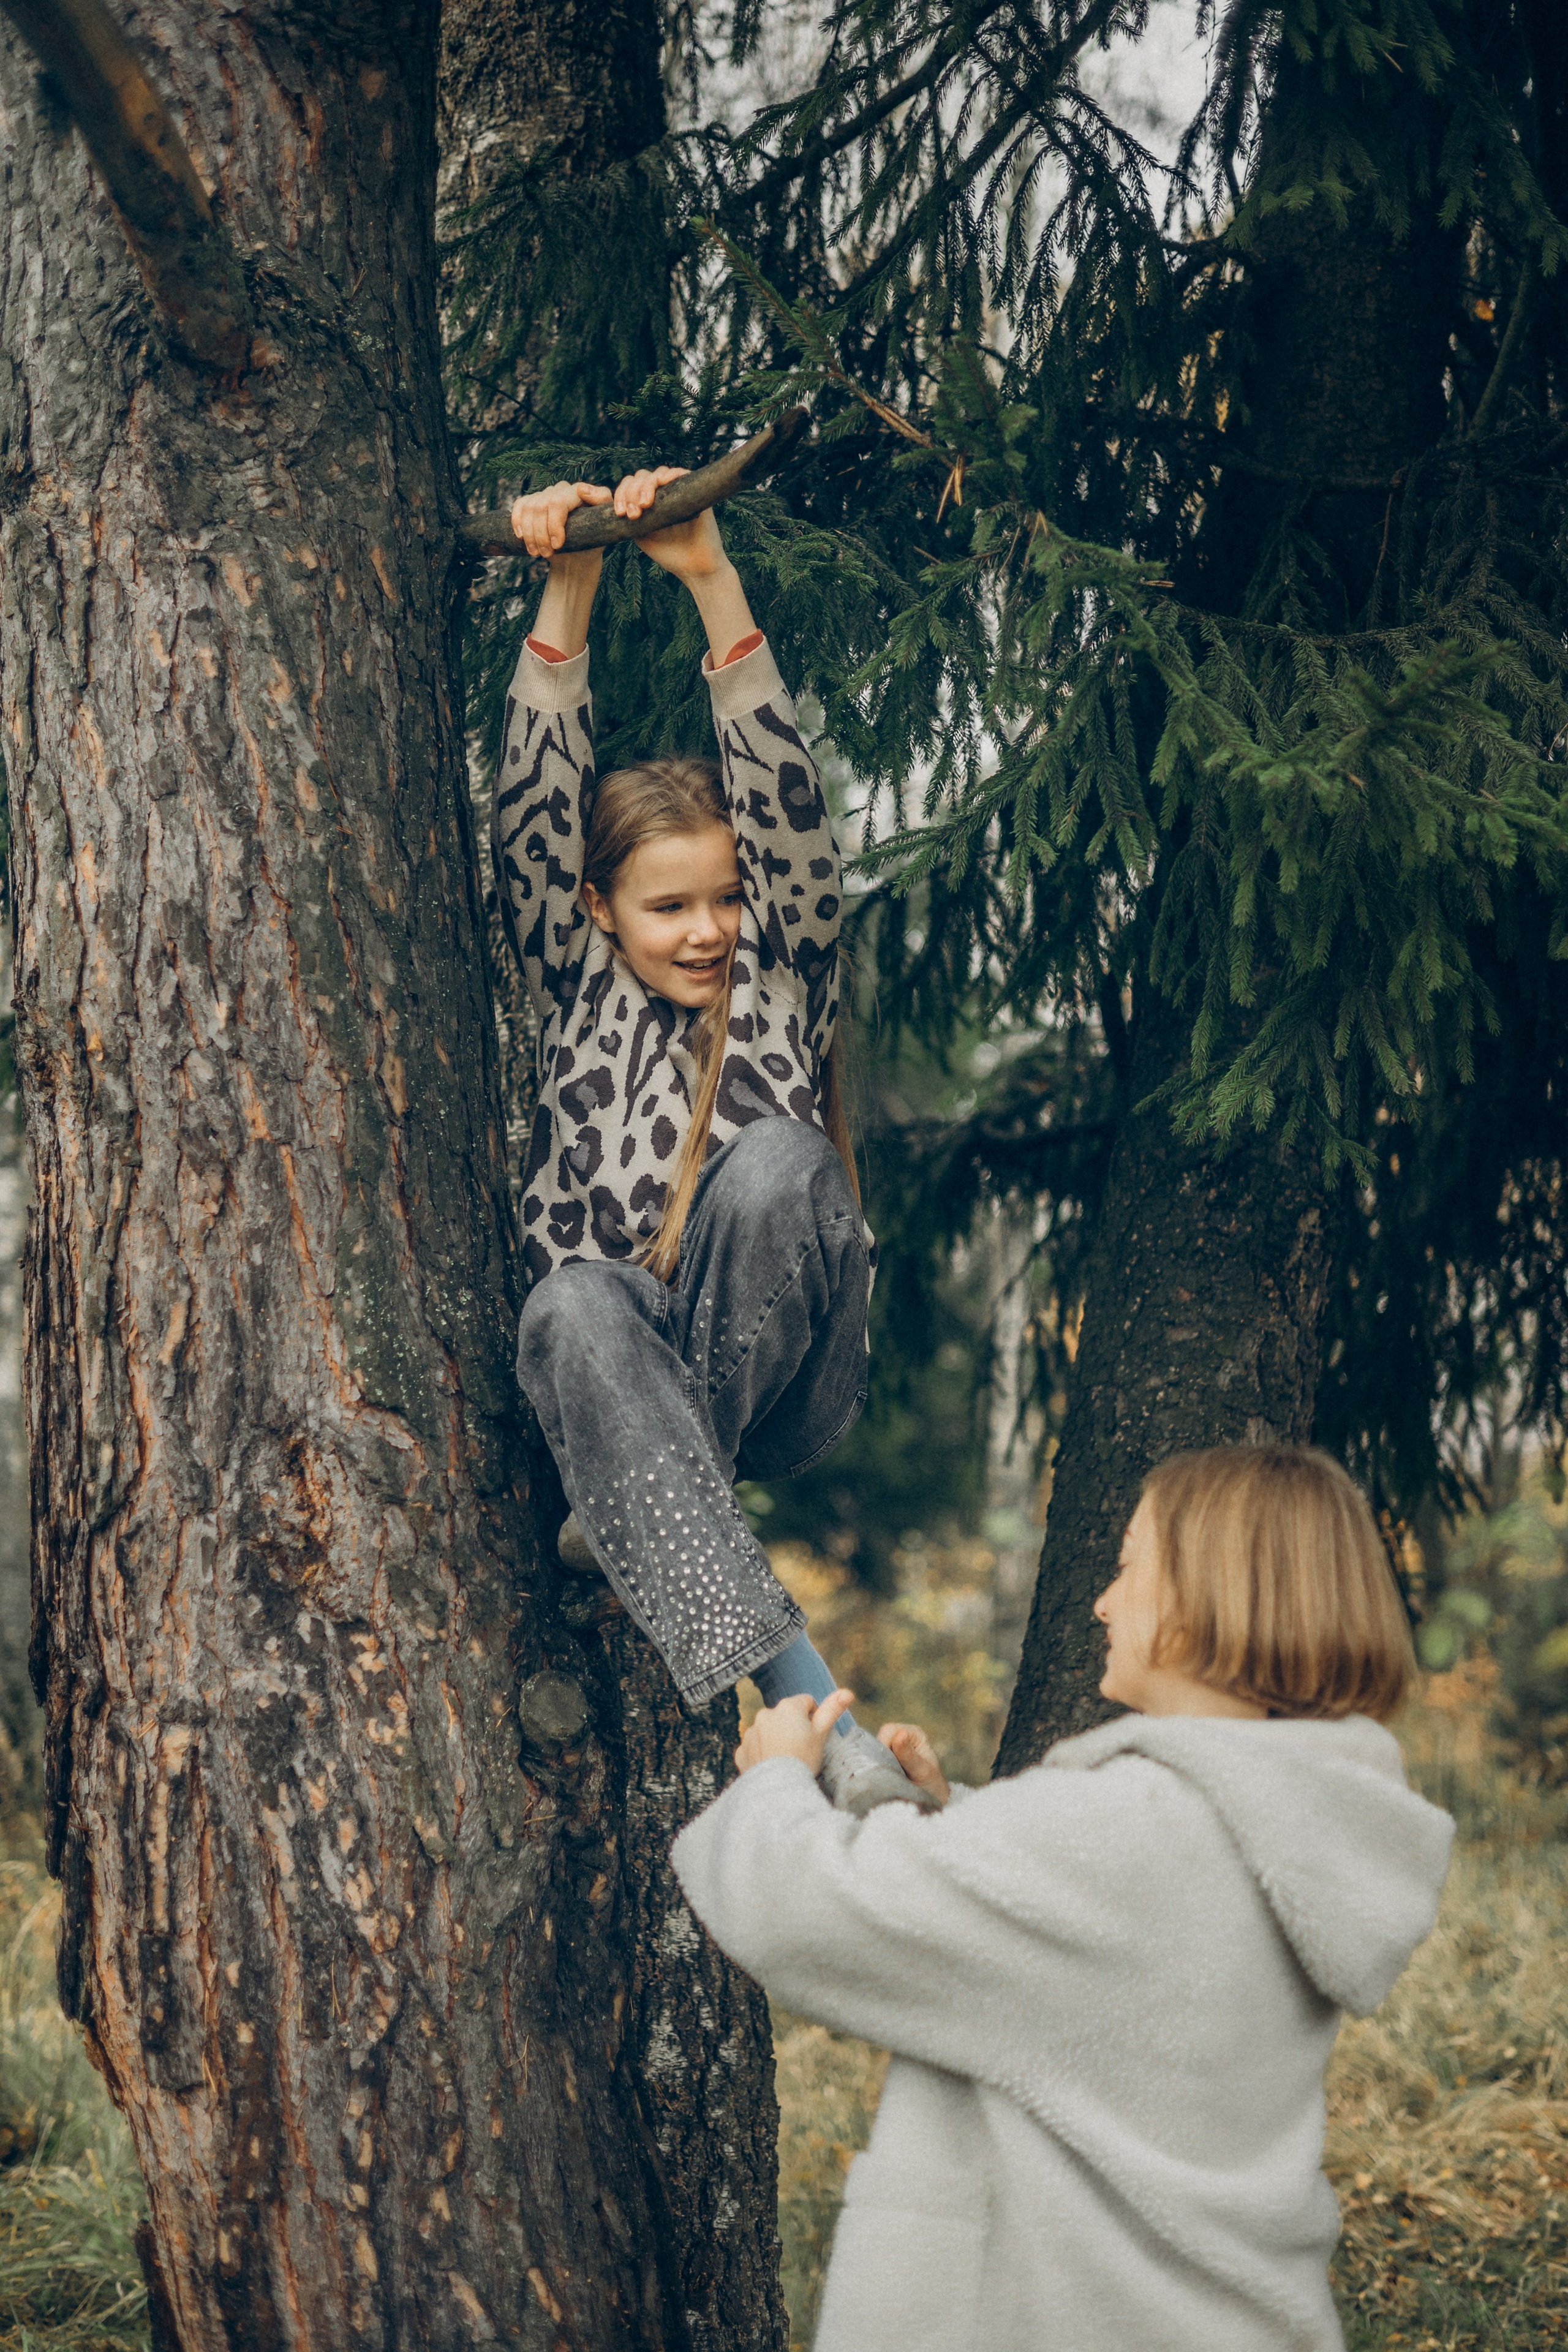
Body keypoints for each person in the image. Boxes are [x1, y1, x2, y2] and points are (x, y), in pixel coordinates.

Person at [673, 1443, 1456, 2351]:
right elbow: (1083, 1957)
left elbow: (809, 1911)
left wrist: (774, 1782)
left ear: (1213, 1595)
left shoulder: (1134, 1830)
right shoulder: (1284, 1823)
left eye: (1129, 1567)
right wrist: (948, 1822)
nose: (1103, 1601)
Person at [498, 466, 931, 1815]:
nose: (705, 929)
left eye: (724, 897)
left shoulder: (782, 966)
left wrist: (706, 578)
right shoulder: (568, 975)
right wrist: (566, 582)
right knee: (568, 1299)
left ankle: (650, 1489)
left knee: (782, 1161)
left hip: (784, 1379)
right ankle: (810, 1707)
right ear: (597, 911)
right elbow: (528, 814)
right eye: (668, 904)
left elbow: (786, 807)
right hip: (617, 1363)